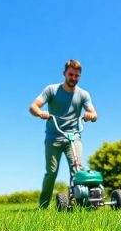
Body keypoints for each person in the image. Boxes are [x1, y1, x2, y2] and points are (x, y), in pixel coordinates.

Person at [29, 59, 98, 208]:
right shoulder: (51, 90)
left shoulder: (83, 94)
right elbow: (33, 106)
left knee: (77, 169)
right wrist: (40, 113)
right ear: (64, 73)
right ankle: (43, 205)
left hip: (73, 137)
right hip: (53, 137)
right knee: (51, 172)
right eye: (71, 74)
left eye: (77, 75)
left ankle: (79, 201)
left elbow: (93, 111)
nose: (73, 78)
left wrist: (90, 115)